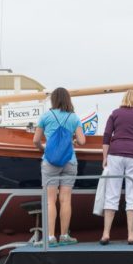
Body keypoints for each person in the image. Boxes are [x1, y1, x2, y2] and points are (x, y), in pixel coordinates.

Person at [32, 87, 86, 247]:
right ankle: (64, 235)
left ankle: (49, 237)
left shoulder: (46, 116)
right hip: (70, 161)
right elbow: (82, 141)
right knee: (66, 199)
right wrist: (73, 140)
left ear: (53, 100)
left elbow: (35, 140)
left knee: (50, 200)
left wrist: (45, 148)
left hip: (50, 161)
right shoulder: (74, 117)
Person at [100, 89, 133, 245]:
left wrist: (105, 158)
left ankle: (105, 234)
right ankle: (131, 235)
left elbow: (106, 136)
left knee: (112, 193)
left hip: (115, 153)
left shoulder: (115, 113)